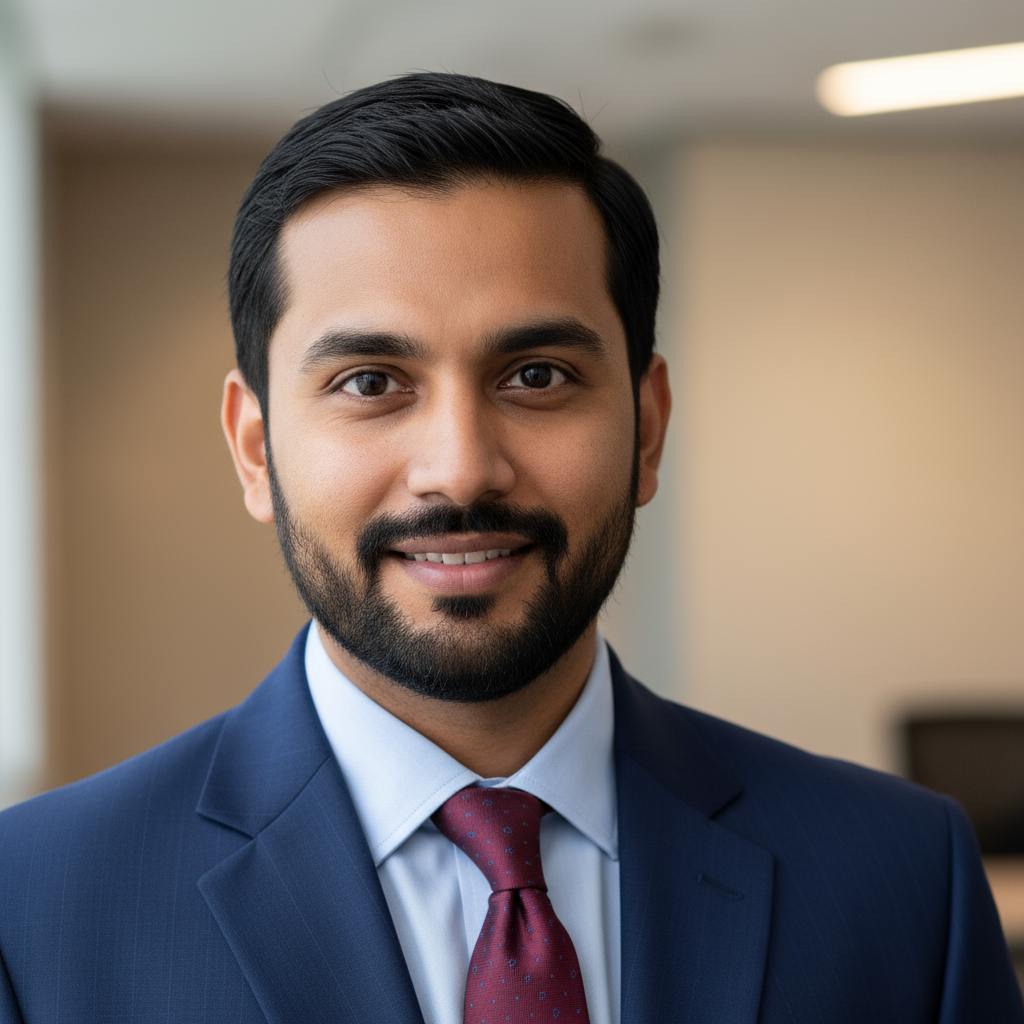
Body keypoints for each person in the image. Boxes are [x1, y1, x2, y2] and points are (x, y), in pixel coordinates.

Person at [0, 72, 1020, 1024]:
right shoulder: (32, 907)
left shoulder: (900, 877)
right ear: (257, 449)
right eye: (369, 382)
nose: (460, 468)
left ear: (647, 427)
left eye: (535, 375)